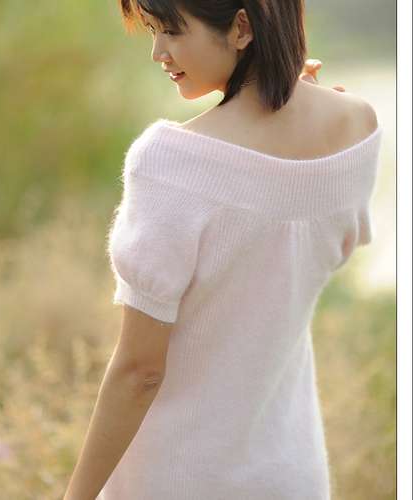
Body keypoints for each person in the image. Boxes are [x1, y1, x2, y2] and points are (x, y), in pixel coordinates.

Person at [63, 2, 383, 499]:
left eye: (171, 31)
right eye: (152, 30)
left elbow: (139, 373)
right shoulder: (357, 124)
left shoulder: (170, 163)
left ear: (241, 26)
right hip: (292, 477)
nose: (158, 52)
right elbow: (329, 245)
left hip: (176, 480)